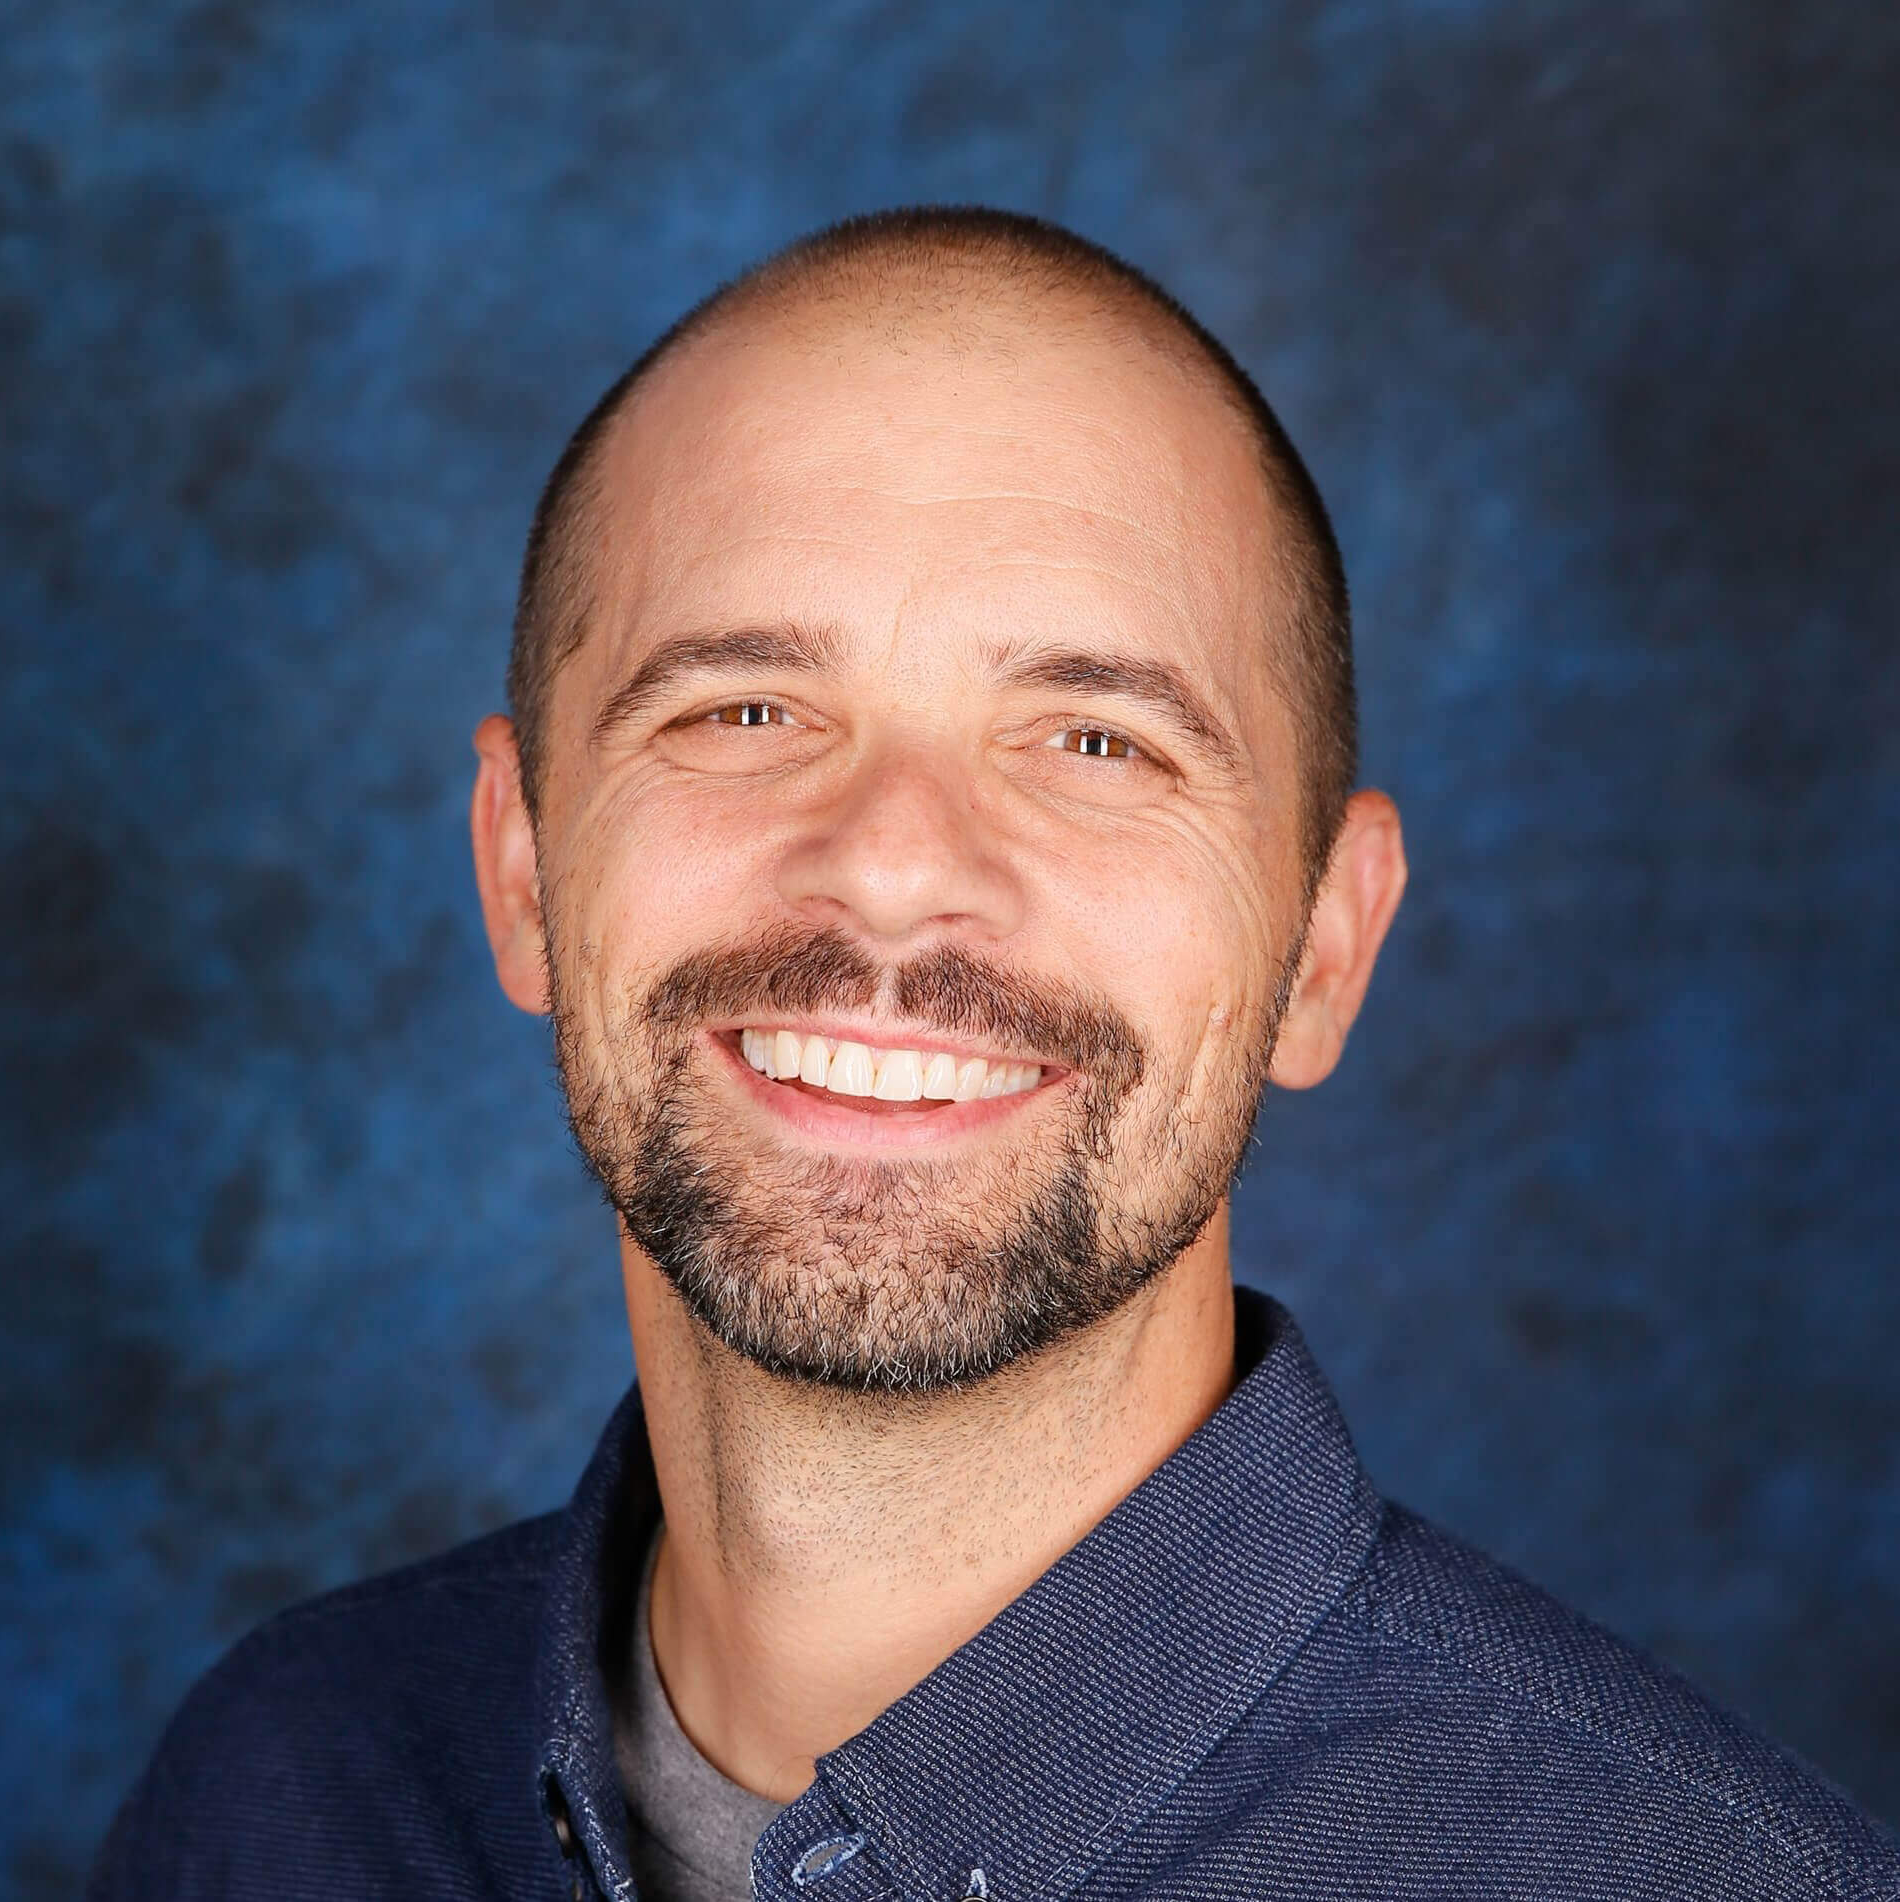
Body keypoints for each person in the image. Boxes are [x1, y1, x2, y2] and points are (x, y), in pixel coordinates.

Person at [91, 207, 1897, 1902]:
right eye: (743, 709)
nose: (891, 864)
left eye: (1095, 741)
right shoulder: (278, 1789)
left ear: (1323, 949)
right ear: (520, 872)